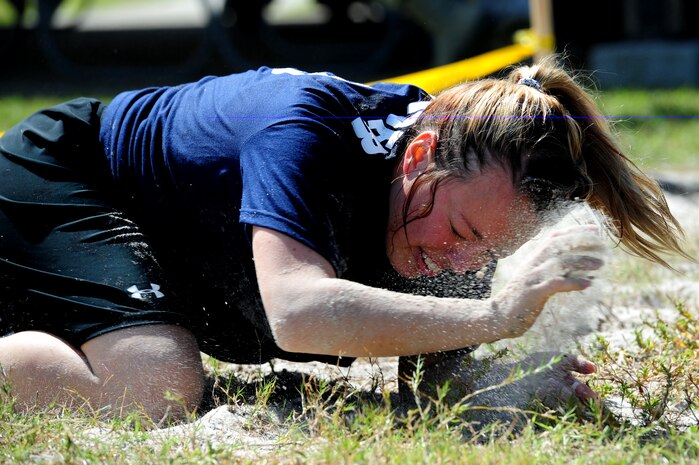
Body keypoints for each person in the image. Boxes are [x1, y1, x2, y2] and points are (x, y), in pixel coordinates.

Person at [0, 56, 691, 421]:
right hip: (63, 175)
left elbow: (429, 391)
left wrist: (511, 385)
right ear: (419, 155)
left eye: (490, 256)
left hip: (137, 248)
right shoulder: (302, 129)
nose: (459, 263)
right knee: (154, 382)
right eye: (460, 233)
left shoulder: (458, 213)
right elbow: (298, 313)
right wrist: (494, 315)